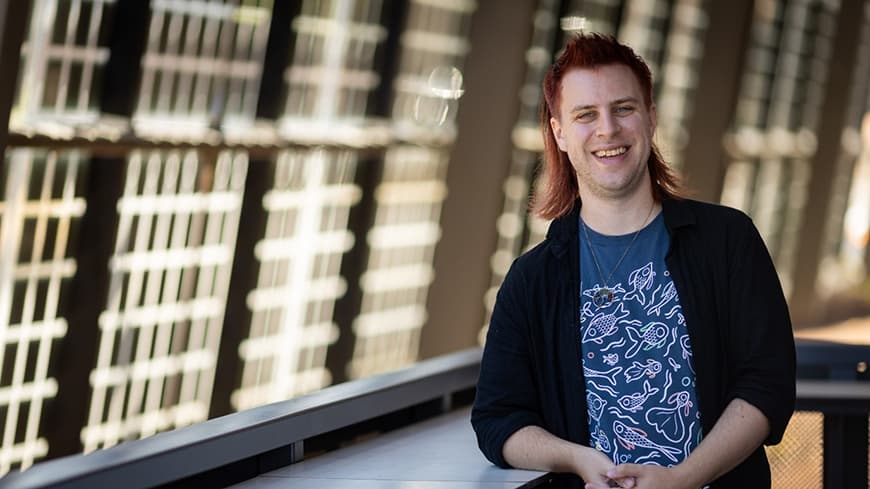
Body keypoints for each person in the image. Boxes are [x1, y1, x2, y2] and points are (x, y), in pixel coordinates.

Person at [471, 33, 795, 489]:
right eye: (586, 115)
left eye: (623, 108)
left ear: (650, 118)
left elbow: (766, 384)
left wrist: (683, 479)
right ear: (560, 132)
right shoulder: (533, 279)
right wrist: (575, 458)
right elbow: (497, 421)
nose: (607, 129)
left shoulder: (727, 241)